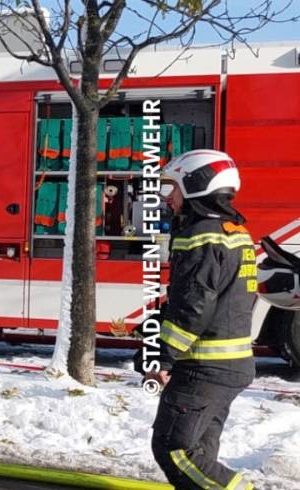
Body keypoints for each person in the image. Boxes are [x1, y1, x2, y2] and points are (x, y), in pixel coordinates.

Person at [147, 149, 258, 490]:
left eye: (173, 189)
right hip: (227, 366)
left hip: (203, 369)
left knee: (174, 448)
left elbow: (192, 306)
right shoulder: (232, 230)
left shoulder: (202, 235)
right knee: (200, 452)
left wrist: (163, 356)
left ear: (196, 184)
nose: (169, 200)